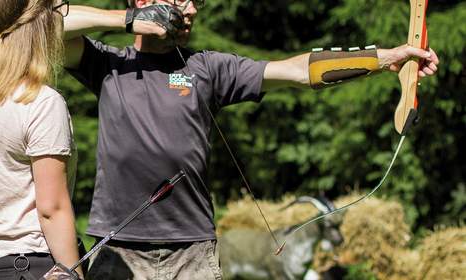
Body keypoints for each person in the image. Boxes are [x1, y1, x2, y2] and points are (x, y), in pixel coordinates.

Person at [62, 1, 439, 279]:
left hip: (192, 253)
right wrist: (129, 21)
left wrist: (386, 58)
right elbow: (40, 25)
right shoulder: (108, 64)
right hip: (117, 249)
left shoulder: (207, 68)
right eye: (183, 0)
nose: (193, 10)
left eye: (198, 2)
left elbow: (297, 70)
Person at [0, 0, 84, 279]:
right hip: (27, 265)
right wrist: (73, 273)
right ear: (46, 25)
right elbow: (52, 210)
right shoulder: (43, 103)